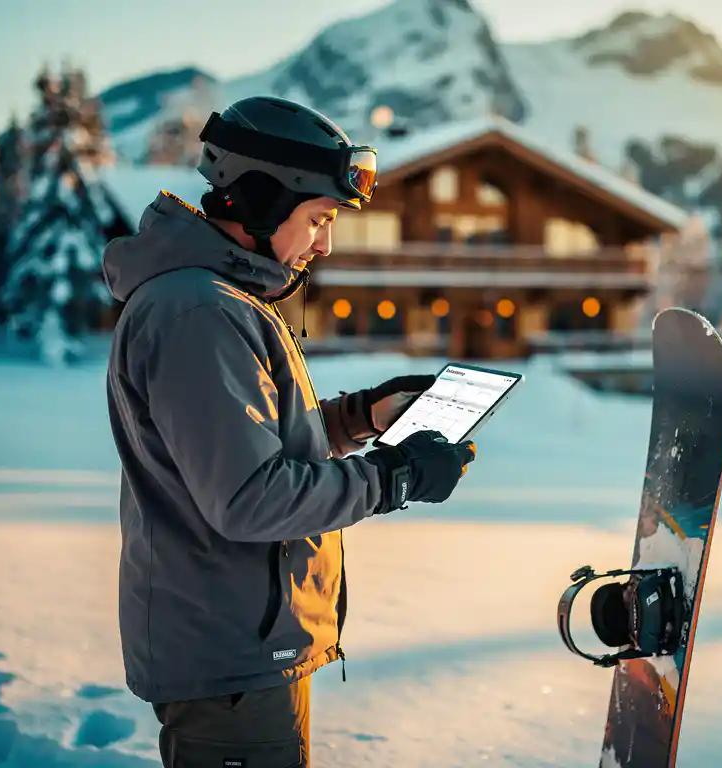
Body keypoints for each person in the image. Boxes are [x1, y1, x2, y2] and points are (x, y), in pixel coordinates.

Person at [102, 95, 477, 768]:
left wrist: (360, 417)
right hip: (230, 659)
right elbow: (249, 498)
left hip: (252, 646)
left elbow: (255, 445)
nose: (325, 242)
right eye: (318, 218)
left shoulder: (225, 302)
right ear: (259, 200)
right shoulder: (197, 313)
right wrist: (396, 477)